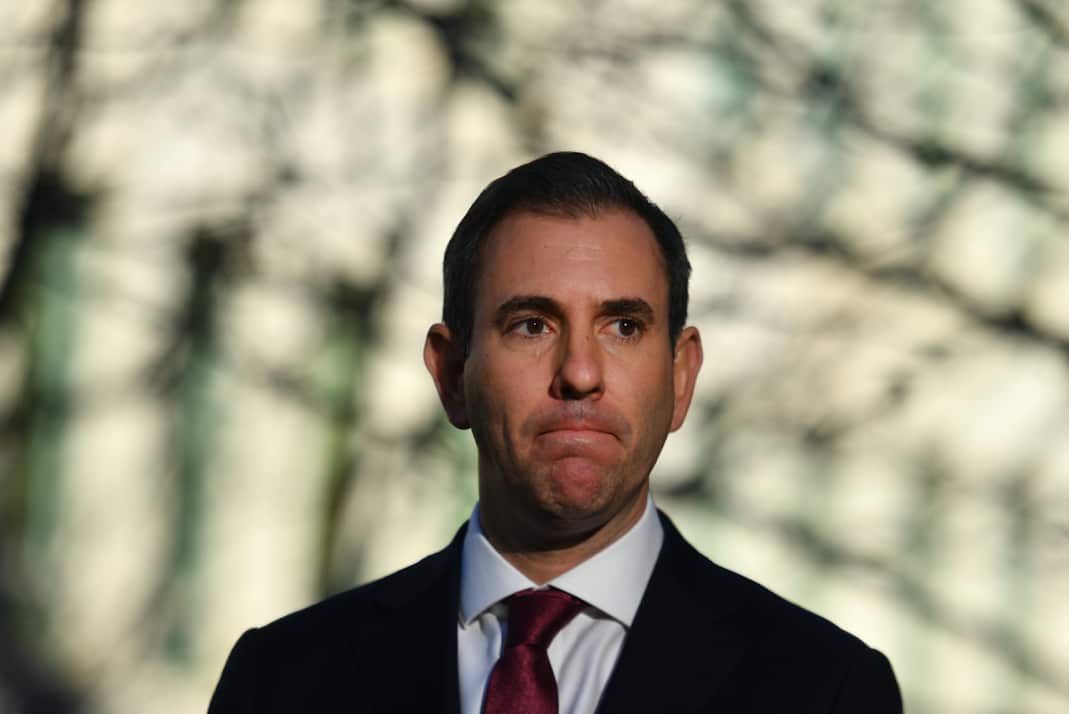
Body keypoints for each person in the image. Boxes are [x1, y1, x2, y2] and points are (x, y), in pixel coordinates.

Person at [208, 152, 903, 713]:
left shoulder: (823, 690)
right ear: (452, 374)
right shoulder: (284, 681)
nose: (578, 373)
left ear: (681, 376)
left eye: (623, 327)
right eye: (530, 325)